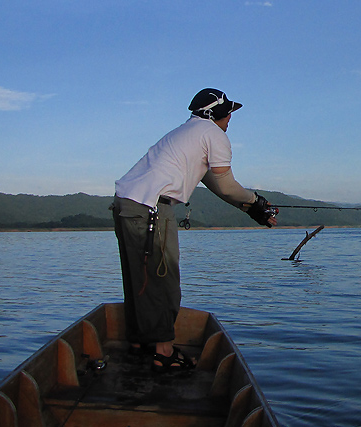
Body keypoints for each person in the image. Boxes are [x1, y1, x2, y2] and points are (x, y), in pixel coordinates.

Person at [112, 88, 277, 372]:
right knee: (164, 282)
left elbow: (214, 183)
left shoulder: (187, 133)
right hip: (152, 208)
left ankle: (141, 345)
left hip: (127, 204)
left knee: (138, 279)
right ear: (214, 115)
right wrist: (256, 201)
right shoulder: (215, 135)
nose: (229, 119)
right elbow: (226, 185)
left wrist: (249, 209)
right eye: (227, 113)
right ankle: (163, 352)